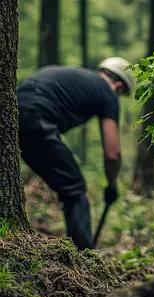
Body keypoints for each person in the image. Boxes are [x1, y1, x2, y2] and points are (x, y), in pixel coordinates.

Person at [17, 57, 133, 249]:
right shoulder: (108, 93)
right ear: (119, 86)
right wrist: (112, 184)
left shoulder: (76, 76)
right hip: (37, 120)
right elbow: (112, 154)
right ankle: (84, 257)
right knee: (74, 190)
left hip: (10, 113)